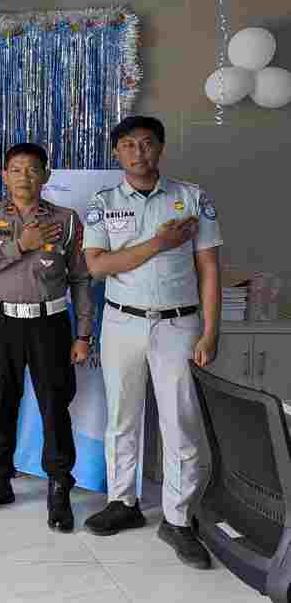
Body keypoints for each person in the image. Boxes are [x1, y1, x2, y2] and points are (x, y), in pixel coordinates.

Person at [82, 116, 221, 569]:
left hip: (179, 325)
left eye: (146, 143)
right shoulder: (103, 203)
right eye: (128, 145)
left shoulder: (191, 198)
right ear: (116, 152)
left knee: (180, 422)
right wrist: (160, 243)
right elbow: (97, 266)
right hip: (121, 322)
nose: (138, 152)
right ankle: (123, 502)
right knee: (122, 417)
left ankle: (178, 520)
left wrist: (211, 330)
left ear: (160, 148)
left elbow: (209, 269)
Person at [0, 142, 93, 532]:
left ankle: (59, 486)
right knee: (2, 402)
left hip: (49, 324)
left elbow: (81, 279)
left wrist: (83, 334)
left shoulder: (66, 220)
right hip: (3, 323)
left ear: (46, 175)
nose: (24, 176)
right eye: (16, 169)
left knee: (54, 406)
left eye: (33, 169)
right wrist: (20, 245)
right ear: (4, 175)